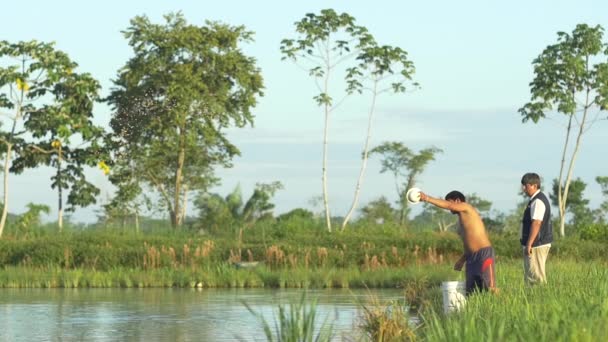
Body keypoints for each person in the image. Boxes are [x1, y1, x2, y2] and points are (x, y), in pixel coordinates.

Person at [419, 190, 497, 296]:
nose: (448, 207)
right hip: (471, 258)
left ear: (457, 200)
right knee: (471, 291)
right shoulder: (460, 222)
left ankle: (506, 307)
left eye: (450, 202)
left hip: (483, 254)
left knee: (490, 288)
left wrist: (427, 198)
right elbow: (468, 243)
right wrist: (462, 260)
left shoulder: (467, 208)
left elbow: (450, 206)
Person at [520, 172, 553, 285]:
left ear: (534, 185)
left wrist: (529, 244)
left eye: (526, 185)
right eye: (523, 185)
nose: (523, 188)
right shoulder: (536, 200)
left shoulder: (537, 201)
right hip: (537, 243)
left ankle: (541, 300)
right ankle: (534, 300)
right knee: (531, 276)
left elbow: (536, 223)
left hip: (537, 244)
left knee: (536, 277)